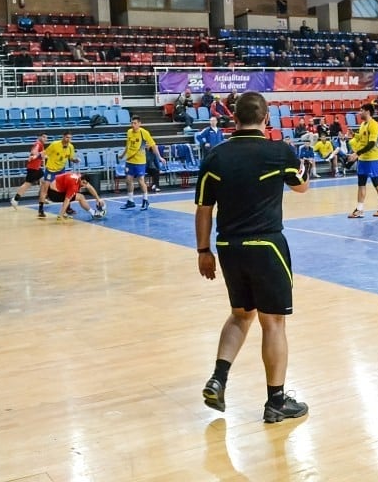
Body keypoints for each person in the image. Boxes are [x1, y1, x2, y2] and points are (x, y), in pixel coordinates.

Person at [195, 91, 309, 423]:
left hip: (229, 248)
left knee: (240, 316)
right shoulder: (279, 152)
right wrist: (303, 168)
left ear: (234, 118)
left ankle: (218, 378)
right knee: (272, 322)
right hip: (267, 247)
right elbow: (301, 187)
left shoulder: (215, 157)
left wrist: (204, 251)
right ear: (267, 119)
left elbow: (204, 210)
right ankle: (276, 402)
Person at [346, 103, 378, 218]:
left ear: (367, 111)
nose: (359, 113)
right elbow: (363, 138)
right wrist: (354, 135)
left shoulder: (373, 125)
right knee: (361, 183)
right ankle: (359, 209)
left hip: (372, 159)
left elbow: (371, 143)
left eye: (361, 110)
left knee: (376, 182)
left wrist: (356, 154)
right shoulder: (363, 124)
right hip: (363, 159)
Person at [118, 116, 167, 211]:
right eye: (132, 123)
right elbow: (128, 146)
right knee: (128, 180)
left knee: (141, 181)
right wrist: (122, 155)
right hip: (129, 161)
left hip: (140, 161)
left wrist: (159, 157)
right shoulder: (129, 132)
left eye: (135, 123)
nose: (133, 125)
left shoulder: (144, 133)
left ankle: (145, 200)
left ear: (139, 123)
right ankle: (130, 201)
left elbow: (153, 145)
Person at [37, 132, 78, 219]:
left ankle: (67, 208)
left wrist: (75, 160)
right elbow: (44, 153)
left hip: (61, 171)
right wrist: (35, 158)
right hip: (50, 170)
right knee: (45, 189)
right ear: (63, 137)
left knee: (65, 189)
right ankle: (40, 210)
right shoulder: (55, 144)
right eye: (67, 137)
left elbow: (71, 158)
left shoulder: (71, 147)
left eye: (70, 138)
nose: (68, 139)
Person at [10, 133, 49, 209]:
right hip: (33, 168)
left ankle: (42, 197)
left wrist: (44, 156)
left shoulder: (40, 145)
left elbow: (40, 155)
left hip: (37, 168)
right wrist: (38, 155)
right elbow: (34, 152)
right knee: (27, 184)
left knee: (44, 181)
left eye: (46, 137)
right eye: (44, 137)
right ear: (39, 137)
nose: (45, 139)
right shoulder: (38, 144)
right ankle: (15, 199)